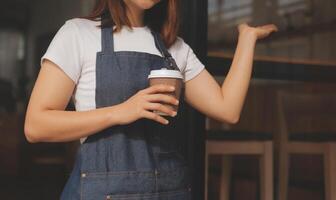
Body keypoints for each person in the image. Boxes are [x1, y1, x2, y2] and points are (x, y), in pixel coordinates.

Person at [24, 0, 278, 199]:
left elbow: (228, 109)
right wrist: (120, 111)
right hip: (105, 191)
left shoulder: (175, 48)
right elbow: (36, 126)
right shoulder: (78, 34)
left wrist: (247, 39)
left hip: (169, 190)